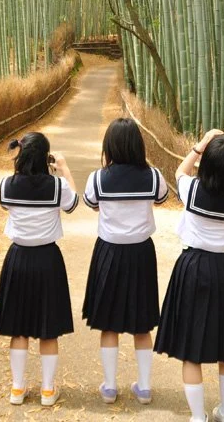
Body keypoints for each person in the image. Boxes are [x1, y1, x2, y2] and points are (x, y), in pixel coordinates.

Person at [154, 130, 224, 422]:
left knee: (191, 349)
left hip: (194, 268)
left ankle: (198, 417)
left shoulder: (192, 191)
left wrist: (201, 145)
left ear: (207, 163)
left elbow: (180, 171)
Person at [82, 118, 169, 405]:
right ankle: (143, 387)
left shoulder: (98, 178)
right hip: (141, 253)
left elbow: (91, 203)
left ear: (109, 147)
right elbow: (162, 198)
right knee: (142, 323)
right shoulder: (153, 177)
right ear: (138, 146)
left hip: (109, 252)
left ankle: (109, 387)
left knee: (109, 324)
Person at [0, 132, 79, 407]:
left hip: (17, 259)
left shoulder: (6, 185)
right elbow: (73, 203)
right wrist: (63, 169)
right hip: (47, 260)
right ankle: (47, 390)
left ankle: (17, 389)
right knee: (47, 328)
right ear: (46, 157)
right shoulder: (56, 187)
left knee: (19, 329)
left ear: (20, 154)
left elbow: (7, 205)